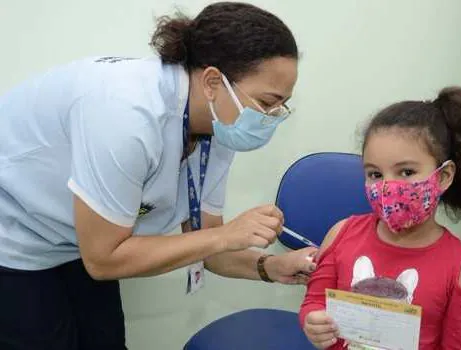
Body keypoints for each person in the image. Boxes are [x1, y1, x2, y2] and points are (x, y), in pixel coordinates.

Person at [0, 2, 318, 350]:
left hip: (79, 241)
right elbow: (105, 259)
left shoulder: (219, 123)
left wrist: (269, 266)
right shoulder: (126, 113)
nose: (271, 118)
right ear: (213, 81)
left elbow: (206, 242)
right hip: (14, 237)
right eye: (267, 102)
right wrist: (226, 235)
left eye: (281, 106)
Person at [299, 87, 461, 349]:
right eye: (375, 174)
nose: (388, 186)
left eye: (406, 171)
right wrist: (313, 320)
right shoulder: (341, 234)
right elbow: (315, 301)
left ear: (443, 177)